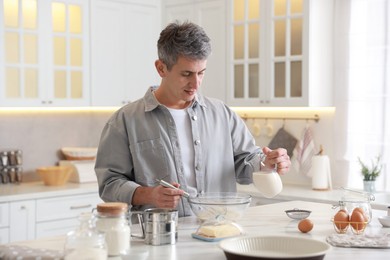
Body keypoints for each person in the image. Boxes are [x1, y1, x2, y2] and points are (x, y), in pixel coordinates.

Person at [95, 21, 291, 217]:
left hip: (219, 229)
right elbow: (109, 184)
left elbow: (246, 160)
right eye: (186, 74)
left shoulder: (221, 113)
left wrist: (266, 163)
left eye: (201, 73)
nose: (195, 83)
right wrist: (147, 195)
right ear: (161, 68)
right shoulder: (125, 121)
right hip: (159, 236)